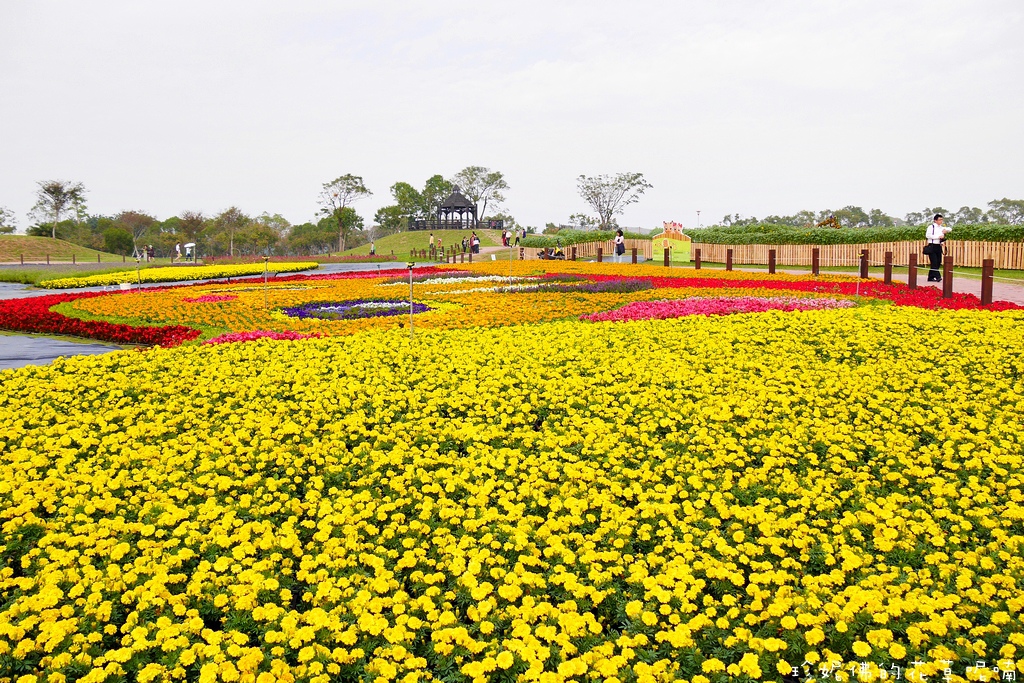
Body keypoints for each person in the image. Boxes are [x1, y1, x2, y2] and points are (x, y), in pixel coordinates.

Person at [924, 213, 951, 282]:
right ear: (935, 220)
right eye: (939, 220)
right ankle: (938, 276)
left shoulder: (941, 228)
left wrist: (946, 231)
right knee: (934, 262)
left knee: (938, 262)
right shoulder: (931, 227)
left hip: (938, 246)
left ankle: (930, 277)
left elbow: (950, 229)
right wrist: (938, 237)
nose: (941, 221)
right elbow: (928, 235)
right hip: (932, 245)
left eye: (942, 220)